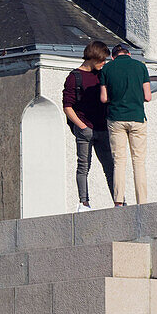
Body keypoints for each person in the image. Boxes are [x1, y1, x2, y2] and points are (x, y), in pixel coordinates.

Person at [62, 41, 115, 212]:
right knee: (84, 166)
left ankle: (118, 201)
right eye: (101, 60)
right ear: (93, 58)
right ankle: (84, 203)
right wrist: (82, 127)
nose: (103, 64)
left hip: (103, 127)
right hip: (86, 128)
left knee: (111, 167)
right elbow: (67, 106)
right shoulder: (74, 77)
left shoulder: (102, 74)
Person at [99, 43, 151, 206]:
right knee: (138, 161)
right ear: (128, 54)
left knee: (119, 161)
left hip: (116, 119)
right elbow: (148, 96)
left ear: (113, 56)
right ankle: (142, 201)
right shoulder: (140, 67)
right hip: (137, 117)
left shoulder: (107, 69)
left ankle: (119, 201)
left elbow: (103, 98)